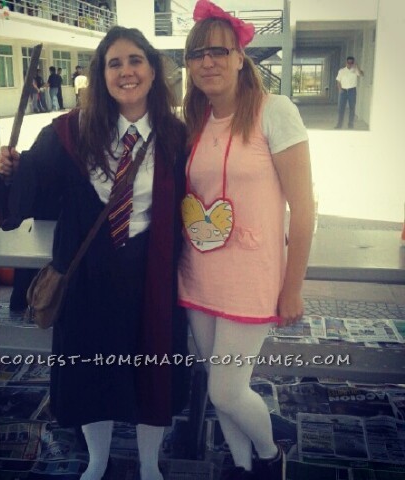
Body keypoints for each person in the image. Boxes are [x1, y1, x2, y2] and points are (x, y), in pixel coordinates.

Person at [0, 26, 189, 480]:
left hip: (150, 278)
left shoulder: (177, 136)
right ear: (101, 75)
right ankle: (97, 460)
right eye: (114, 63)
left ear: (153, 70)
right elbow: (29, 187)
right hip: (87, 280)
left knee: (150, 371)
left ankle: (148, 464)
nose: (126, 71)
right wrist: (6, 172)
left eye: (135, 60)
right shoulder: (68, 132)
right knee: (89, 373)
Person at [178, 1, 314, 479]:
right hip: (198, 272)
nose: (207, 62)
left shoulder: (275, 112)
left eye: (218, 51)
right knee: (218, 384)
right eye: (197, 54)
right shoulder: (194, 119)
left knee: (227, 390)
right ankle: (240, 467)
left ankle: (270, 458)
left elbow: (305, 207)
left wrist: (292, 286)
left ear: (240, 57)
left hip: (251, 275)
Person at [335, 56, 364, 129]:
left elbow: (361, 74)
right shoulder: (341, 71)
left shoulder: (355, 70)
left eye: (351, 62)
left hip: (352, 91)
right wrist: (340, 89)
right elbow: (338, 81)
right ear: (346, 62)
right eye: (348, 62)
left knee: (352, 108)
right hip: (343, 91)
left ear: (353, 63)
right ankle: (339, 124)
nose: (350, 64)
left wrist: (356, 66)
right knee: (341, 108)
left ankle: (350, 124)